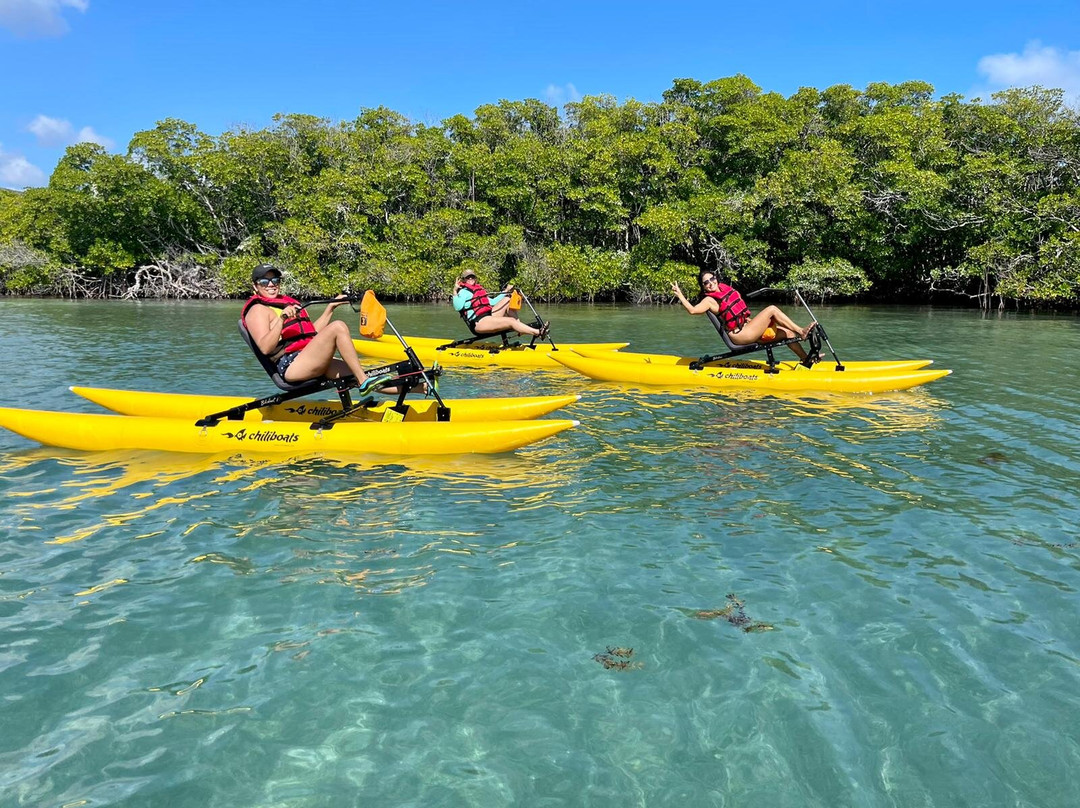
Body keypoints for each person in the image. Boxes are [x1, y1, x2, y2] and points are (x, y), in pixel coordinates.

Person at [242, 263, 390, 392]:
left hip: (308, 358)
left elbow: (311, 334)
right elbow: (265, 348)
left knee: (369, 375)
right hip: (292, 366)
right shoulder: (257, 310)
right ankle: (363, 381)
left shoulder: (287, 303)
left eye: (275, 280)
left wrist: (330, 307)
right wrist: (282, 319)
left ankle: (403, 391)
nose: (271, 284)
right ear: (255, 286)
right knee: (338, 327)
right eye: (264, 281)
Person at [671, 270, 816, 361]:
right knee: (772, 309)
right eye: (706, 283)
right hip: (739, 334)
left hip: (748, 328)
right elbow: (693, 310)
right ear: (703, 287)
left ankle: (806, 360)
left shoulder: (725, 290)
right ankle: (802, 331)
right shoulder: (709, 300)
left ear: (716, 278)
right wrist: (680, 295)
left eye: (712, 279)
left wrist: (751, 321)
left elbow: (739, 313)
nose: (710, 283)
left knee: (789, 334)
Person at [452, 271, 549, 338]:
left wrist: (506, 290)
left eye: (472, 277)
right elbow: (457, 307)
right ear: (464, 280)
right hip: (478, 323)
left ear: (475, 278)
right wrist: (455, 290)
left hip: (488, 316)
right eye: (467, 277)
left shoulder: (479, 290)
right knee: (510, 321)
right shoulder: (463, 292)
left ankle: (519, 327)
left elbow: (493, 302)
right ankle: (538, 332)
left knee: (507, 299)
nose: (470, 279)